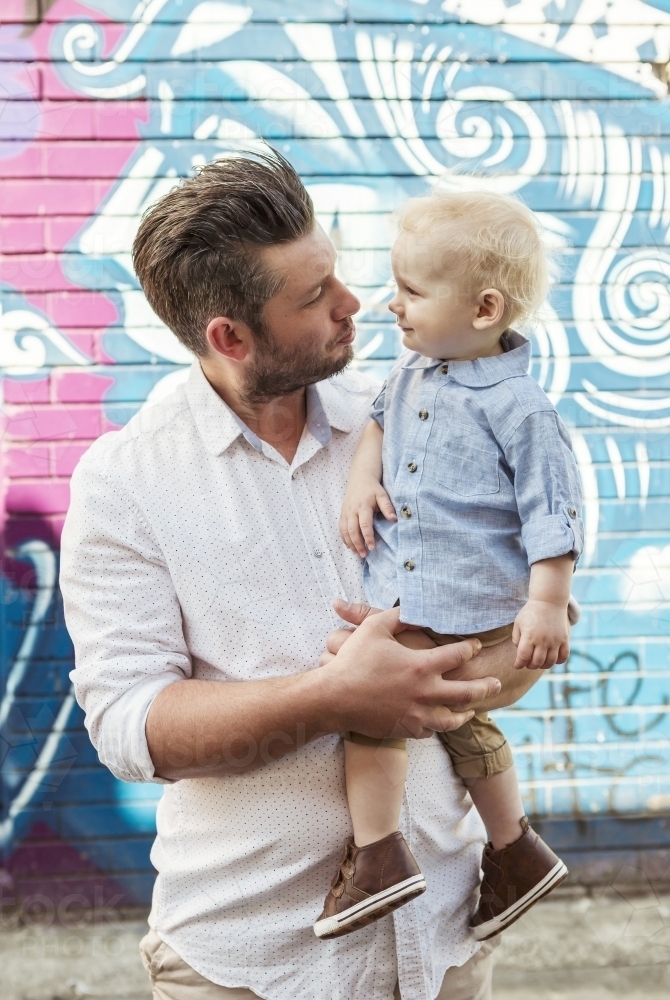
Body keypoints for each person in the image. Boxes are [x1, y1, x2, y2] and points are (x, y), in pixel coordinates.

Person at [61, 151, 546, 1000]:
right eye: (314, 296)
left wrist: (450, 674)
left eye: (338, 276)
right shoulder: (125, 482)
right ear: (230, 337)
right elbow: (131, 726)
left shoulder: (416, 421)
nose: (355, 304)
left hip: (444, 952)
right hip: (247, 966)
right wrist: (331, 698)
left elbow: (528, 632)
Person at [315, 190, 583, 944]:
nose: (391, 306)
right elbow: (376, 424)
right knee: (463, 725)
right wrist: (363, 477)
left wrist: (546, 601)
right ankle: (516, 850)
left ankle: (378, 859)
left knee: (373, 716)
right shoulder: (411, 375)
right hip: (418, 600)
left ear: (484, 307)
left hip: (474, 612)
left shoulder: (521, 408)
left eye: (412, 291)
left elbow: (553, 510)